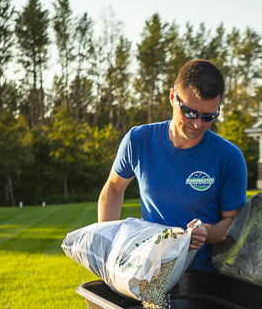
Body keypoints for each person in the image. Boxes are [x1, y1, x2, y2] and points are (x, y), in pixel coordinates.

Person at [97, 59, 247, 270]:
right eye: (190, 113)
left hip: (203, 278)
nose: (197, 124)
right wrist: (106, 242)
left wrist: (207, 233)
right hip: (148, 270)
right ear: (172, 97)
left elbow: (232, 223)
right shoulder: (138, 140)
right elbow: (114, 187)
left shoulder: (229, 157)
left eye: (208, 116)